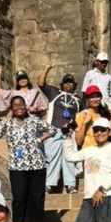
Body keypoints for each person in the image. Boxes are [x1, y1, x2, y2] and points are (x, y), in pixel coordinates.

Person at [0, 95, 51, 222]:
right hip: (17, 167)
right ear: (12, 108)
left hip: (37, 165)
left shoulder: (34, 121)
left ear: (25, 105)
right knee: (19, 198)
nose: (19, 107)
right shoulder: (7, 124)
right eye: (15, 105)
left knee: (36, 199)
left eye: (21, 104)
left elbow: (51, 130)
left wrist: (40, 139)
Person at [37, 65, 82, 194]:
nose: (68, 85)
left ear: (74, 85)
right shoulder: (55, 93)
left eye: (71, 83)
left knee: (69, 157)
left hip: (69, 132)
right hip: (54, 130)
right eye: (66, 83)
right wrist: (46, 68)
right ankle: (49, 184)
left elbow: (80, 117)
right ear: (62, 84)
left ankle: (71, 184)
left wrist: (73, 128)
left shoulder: (78, 100)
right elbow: (40, 83)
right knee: (52, 157)